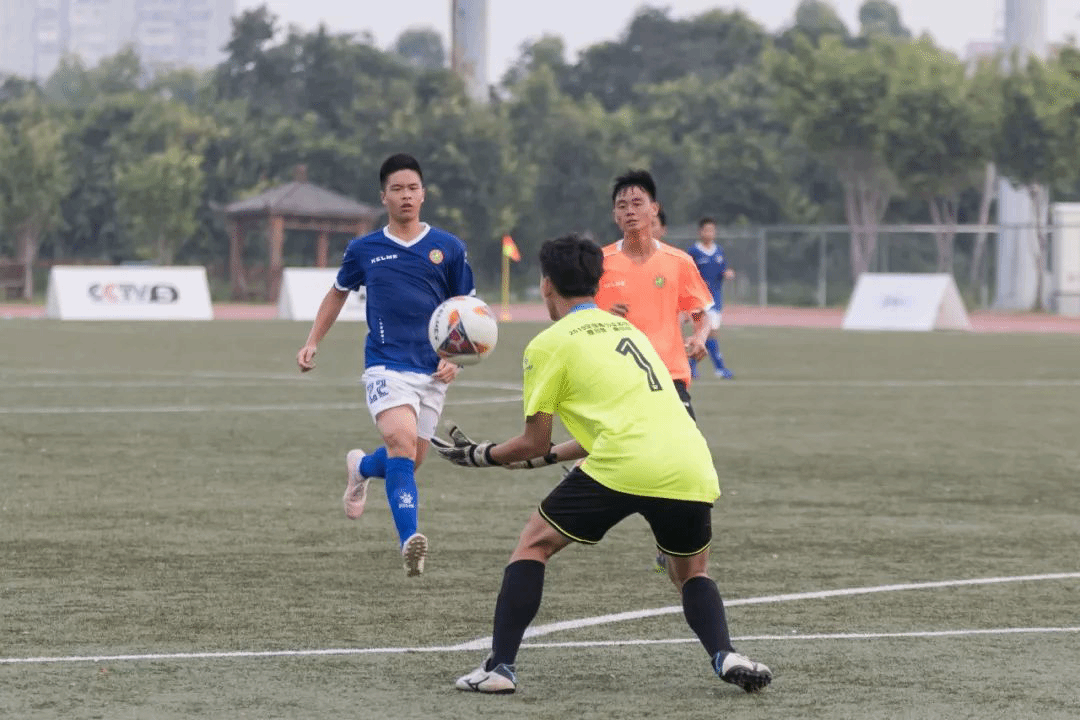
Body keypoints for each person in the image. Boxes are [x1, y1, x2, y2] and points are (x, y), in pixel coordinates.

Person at [430, 234, 772, 695]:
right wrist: (538, 460)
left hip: (623, 463)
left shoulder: (548, 344)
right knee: (691, 573)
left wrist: (481, 455)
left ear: (547, 284)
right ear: (598, 283)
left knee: (534, 544)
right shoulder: (629, 331)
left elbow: (534, 441)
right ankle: (725, 653)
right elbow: (616, 426)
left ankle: (499, 668)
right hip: (689, 461)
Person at [295, 153, 474, 577]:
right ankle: (410, 540)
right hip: (385, 365)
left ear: (423, 194)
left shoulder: (449, 247)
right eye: (397, 189)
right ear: (384, 197)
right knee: (401, 442)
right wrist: (313, 341)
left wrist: (457, 362)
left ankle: (360, 467)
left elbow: (466, 311)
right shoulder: (365, 249)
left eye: (413, 188)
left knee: (409, 459)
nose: (406, 196)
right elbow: (338, 292)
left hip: (432, 371)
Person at [594, 170, 713, 420]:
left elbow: (700, 315)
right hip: (616, 380)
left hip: (669, 376)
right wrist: (602, 317)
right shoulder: (598, 264)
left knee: (684, 443)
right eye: (622, 206)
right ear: (615, 215)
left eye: (637, 203)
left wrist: (700, 337)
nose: (630, 211)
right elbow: (577, 318)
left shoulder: (679, 262)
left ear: (654, 209)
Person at [687, 217, 736, 379]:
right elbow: (687, 274)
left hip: (715, 300)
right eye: (706, 230)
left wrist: (727, 273)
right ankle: (719, 369)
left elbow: (722, 270)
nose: (709, 233)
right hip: (697, 300)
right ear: (700, 232)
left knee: (705, 334)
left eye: (712, 230)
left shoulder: (719, 251)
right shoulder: (693, 251)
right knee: (708, 333)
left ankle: (691, 367)